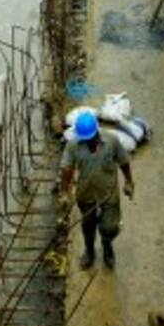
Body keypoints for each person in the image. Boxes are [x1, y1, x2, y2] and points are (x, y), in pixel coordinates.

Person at [60, 109, 134, 270]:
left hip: (108, 192)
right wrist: (64, 192)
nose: (88, 142)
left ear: (97, 132)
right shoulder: (73, 145)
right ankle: (90, 251)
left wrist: (129, 182)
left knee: (110, 227)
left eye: (91, 138)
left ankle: (107, 245)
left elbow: (123, 162)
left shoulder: (111, 141)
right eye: (84, 139)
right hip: (85, 193)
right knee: (88, 225)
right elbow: (67, 169)